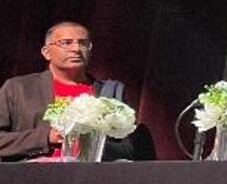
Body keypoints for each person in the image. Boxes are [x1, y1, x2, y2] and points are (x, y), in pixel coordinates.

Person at [0, 21, 152, 161]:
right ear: (46, 52)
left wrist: (90, 142)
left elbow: (128, 149)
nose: (76, 49)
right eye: (66, 43)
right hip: (29, 178)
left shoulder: (109, 93)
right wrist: (46, 137)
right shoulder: (18, 88)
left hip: (88, 179)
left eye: (83, 43)